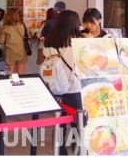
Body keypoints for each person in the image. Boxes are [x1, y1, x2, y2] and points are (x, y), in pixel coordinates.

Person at [43, 10, 83, 156]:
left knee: (59, 122)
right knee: (77, 123)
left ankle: (60, 152)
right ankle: (78, 151)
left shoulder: (49, 40)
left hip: (55, 87)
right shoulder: (77, 42)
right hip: (73, 87)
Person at [0, 8, 28, 75]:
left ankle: (11, 84)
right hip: (22, 50)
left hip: (10, 51)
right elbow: (27, 36)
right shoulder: (23, 25)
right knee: (21, 72)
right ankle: (21, 84)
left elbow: (2, 41)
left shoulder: (5, 27)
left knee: (10, 73)